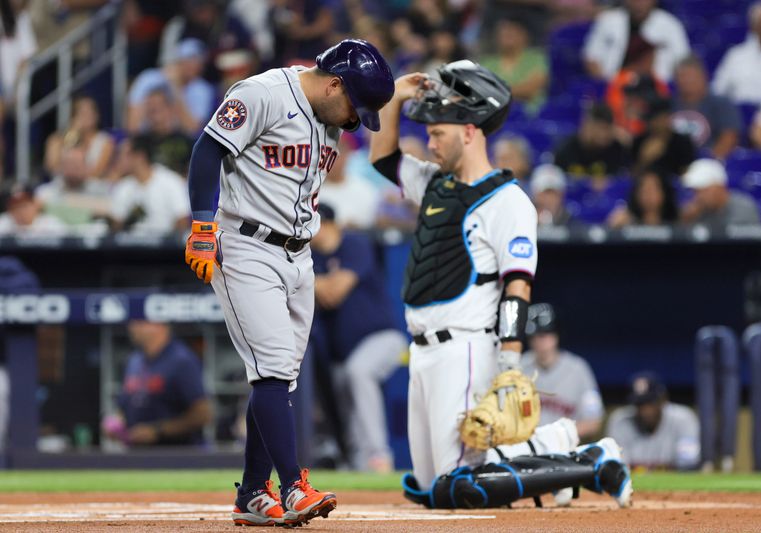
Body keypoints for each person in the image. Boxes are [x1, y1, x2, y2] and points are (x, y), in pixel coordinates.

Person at [369, 61, 630, 510]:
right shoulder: (436, 183)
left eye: (439, 132)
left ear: (470, 131)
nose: (429, 142)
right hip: (423, 351)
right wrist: (393, 97)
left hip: (467, 349)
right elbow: (383, 158)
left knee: (461, 487)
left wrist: (509, 362)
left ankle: (592, 466)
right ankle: (568, 446)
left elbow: (518, 286)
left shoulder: (509, 201)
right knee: (431, 488)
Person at [183, 39, 394, 527]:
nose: (352, 121)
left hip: (300, 256)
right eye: (353, 108)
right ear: (334, 83)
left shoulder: (330, 115)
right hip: (246, 245)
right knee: (274, 370)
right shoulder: (264, 93)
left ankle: (253, 494)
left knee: (279, 377)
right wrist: (201, 225)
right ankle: (293, 485)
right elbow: (208, 149)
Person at [310, 204, 406, 472]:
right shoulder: (309, 255)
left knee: (359, 372)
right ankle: (358, 464)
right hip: (342, 352)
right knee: (345, 397)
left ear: (327, 224)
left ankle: (379, 456)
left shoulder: (353, 244)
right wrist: (317, 281)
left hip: (382, 338)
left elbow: (334, 293)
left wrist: (306, 280)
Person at [106, 321, 212, 446]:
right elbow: (124, 406)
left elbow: (203, 414)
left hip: (177, 455)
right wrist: (117, 424)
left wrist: (158, 430)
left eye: (140, 322)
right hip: (138, 454)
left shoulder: (182, 360)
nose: (132, 326)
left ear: (159, 325)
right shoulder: (134, 361)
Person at [521, 303, 603, 441]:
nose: (540, 341)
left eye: (545, 334)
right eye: (534, 336)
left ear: (556, 335)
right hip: (525, 448)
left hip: (565, 451)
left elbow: (594, 422)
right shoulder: (518, 367)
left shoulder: (578, 369)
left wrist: (557, 437)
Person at [607, 372, 700, 470]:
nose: (645, 410)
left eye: (650, 403)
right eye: (640, 404)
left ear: (663, 400)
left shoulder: (683, 419)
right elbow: (618, 466)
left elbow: (688, 463)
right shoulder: (621, 421)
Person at [583, 0, 689, 82]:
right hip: (613, 84)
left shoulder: (670, 25)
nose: (639, 2)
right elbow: (591, 58)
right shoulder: (608, 20)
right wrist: (605, 86)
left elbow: (683, 62)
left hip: (656, 89)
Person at [127, 38, 216, 135]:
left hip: (180, 141)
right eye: (189, 59)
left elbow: (193, 129)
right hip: (147, 138)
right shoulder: (149, 78)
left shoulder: (203, 89)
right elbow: (133, 126)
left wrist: (175, 87)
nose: (193, 65)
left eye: (197, 60)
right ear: (178, 61)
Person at [109, 135, 191, 235]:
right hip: (131, 248)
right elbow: (116, 226)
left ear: (140, 157)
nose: (119, 160)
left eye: (124, 155)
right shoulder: (123, 187)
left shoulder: (170, 181)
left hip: (166, 247)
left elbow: (182, 220)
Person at [672, 56, 741, 160]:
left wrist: (711, 159)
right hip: (674, 162)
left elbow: (729, 137)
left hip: (709, 162)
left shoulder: (721, 104)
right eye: (681, 76)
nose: (685, 81)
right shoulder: (669, 105)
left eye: (690, 76)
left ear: (703, 77)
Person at [479, 17, 549, 113]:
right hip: (494, 114)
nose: (507, 34)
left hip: (529, 113)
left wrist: (494, 91)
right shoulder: (488, 62)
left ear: (524, 35)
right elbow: (480, 90)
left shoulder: (536, 58)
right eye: (503, 32)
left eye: (512, 31)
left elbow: (529, 90)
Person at [554, 103, 629, 189]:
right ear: (588, 126)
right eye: (601, 128)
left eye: (608, 129)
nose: (605, 134)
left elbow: (620, 181)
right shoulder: (565, 148)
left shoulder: (616, 149)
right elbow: (556, 179)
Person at [36, 146, 112, 231]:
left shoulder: (101, 189)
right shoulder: (45, 192)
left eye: (77, 164)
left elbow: (110, 212)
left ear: (87, 167)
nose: (73, 169)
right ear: (60, 167)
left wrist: (60, 206)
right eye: (69, 164)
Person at [44, 95, 115, 178]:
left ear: (97, 115)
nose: (87, 116)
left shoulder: (106, 141)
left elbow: (97, 172)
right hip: (62, 186)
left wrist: (74, 174)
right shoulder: (56, 140)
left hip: (91, 187)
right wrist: (73, 134)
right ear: (73, 116)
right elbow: (52, 167)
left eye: (91, 111)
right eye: (82, 112)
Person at [318, 135, 380, 230]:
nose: (334, 158)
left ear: (349, 154)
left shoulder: (366, 189)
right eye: (328, 151)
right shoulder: (310, 191)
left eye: (340, 151)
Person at [681, 159, 761, 227]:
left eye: (703, 191)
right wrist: (687, 221)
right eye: (695, 192)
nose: (698, 197)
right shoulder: (699, 212)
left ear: (719, 187)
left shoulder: (744, 208)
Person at [132, 89, 196, 175]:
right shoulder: (140, 143)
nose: (154, 114)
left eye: (158, 107)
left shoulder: (186, 142)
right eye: (151, 109)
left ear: (169, 109)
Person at [631, 97, 696, 177]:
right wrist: (644, 160)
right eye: (654, 120)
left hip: (674, 186)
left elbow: (689, 174)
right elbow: (632, 176)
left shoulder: (682, 142)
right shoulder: (639, 141)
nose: (659, 123)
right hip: (646, 186)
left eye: (662, 118)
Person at [607, 168, 678, 228]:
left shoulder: (677, 224)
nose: (648, 194)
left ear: (664, 193)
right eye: (644, 190)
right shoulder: (626, 223)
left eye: (652, 189)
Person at [0, 186, 66, 237]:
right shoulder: (3, 222)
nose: (20, 211)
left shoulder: (51, 224)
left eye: (24, 206)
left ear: (36, 205)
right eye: (15, 207)